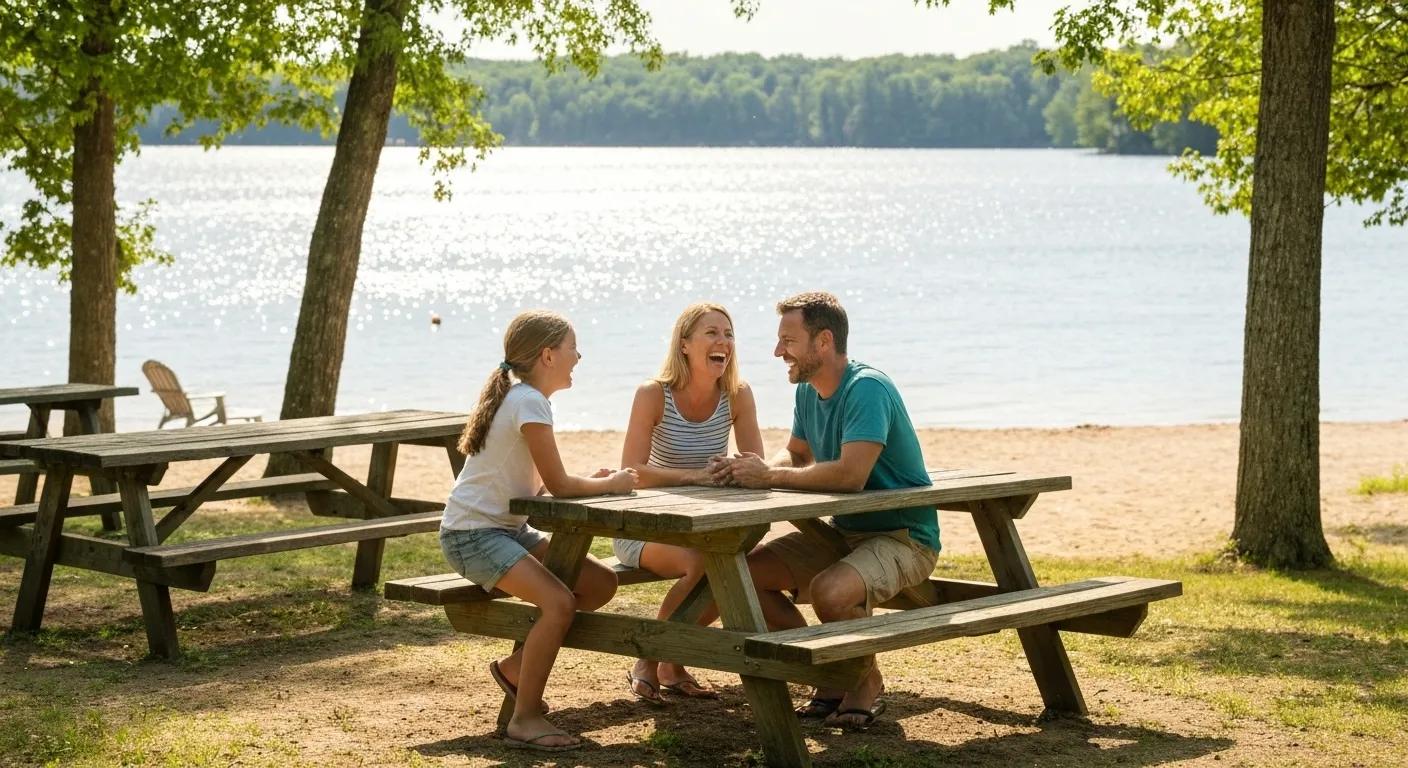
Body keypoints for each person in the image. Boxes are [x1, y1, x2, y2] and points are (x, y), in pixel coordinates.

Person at [713, 291, 939, 731]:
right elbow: (796, 454)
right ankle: (829, 672)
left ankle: (864, 682)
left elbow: (851, 474)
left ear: (823, 342)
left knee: (831, 592)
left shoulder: (867, 388)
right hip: (841, 535)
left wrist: (769, 478)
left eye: (788, 341)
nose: (779, 352)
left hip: (904, 537)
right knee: (745, 579)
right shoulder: (809, 390)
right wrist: (752, 469)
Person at [440, 310, 638, 752]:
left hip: (506, 530)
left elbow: (547, 481)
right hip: (472, 535)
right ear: (548, 355)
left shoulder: (523, 398)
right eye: (572, 348)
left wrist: (597, 479)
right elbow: (563, 486)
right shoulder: (528, 401)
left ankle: (515, 669)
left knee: (600, 583)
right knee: (558, 603)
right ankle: (524, 719)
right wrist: (612, 484)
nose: (578, 356)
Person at [614, 302, 765, 704]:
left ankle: (670, 662)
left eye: (729, 334)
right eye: (712, 333)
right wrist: (694, 476)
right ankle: (651, 658)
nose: (723, 342)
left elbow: (757, 468)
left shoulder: (737, 395)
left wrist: (737, 470)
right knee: (703, 564)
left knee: (740, 562)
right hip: (643, 529)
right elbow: (631, 472)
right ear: (684, 345)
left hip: (704, 529)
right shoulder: (653, 394)